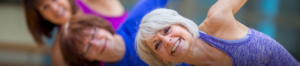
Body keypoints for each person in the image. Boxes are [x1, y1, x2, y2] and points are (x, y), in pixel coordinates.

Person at [135, 0, 300, 66]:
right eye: (157, 45)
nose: (167, 40)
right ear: (162, 59)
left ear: (181, 24)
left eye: (166, 30)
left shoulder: (216, 19)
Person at [58, 0, 191, 66]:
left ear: (101, 25)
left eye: (93, 35)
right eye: (87, 48)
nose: (96, 44)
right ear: (86, 58)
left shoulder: (140, 16)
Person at [24, 0, 128, 65]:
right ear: (42, 16)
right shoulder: (61, 53)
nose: (55, 9)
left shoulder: (93, 2)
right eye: (45, 7)